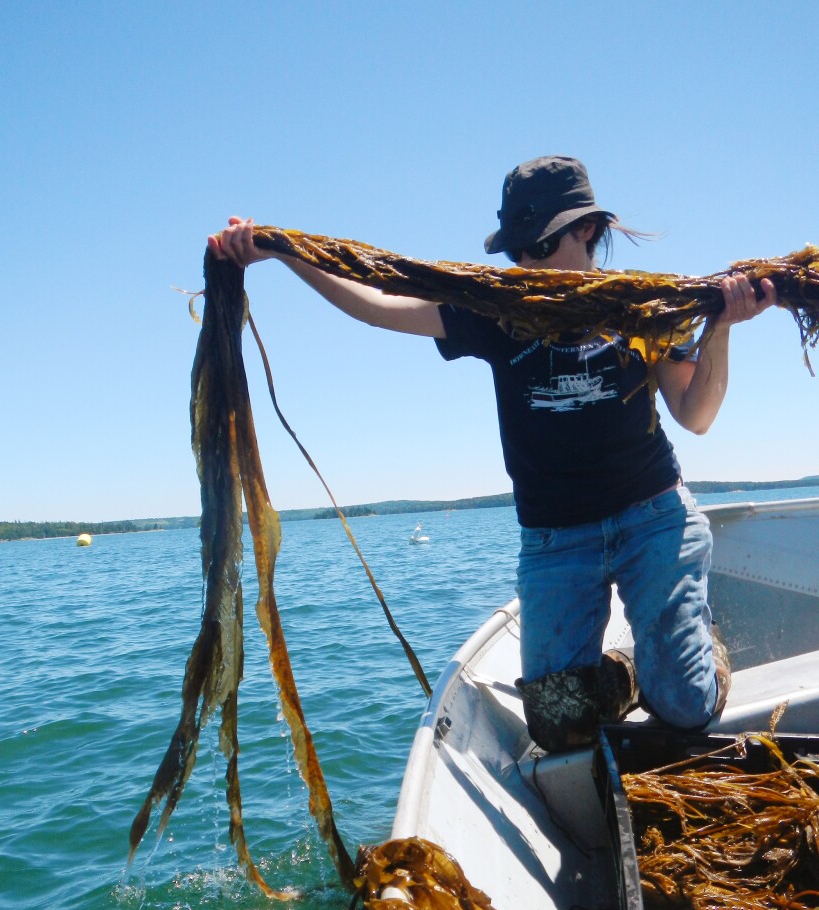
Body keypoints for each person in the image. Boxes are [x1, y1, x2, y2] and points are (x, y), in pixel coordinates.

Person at [209, 156, 777, 752]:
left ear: (587, 230)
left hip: (653, 520)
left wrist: (722, 328)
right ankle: (632, 671)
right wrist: (284, 252)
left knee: (686, 709)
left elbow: (697, 415)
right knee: (557, 727)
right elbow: (376, 303)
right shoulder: (498, 313)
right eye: (517, 251)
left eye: (541, 244)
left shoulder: (641, 307)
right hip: (557, 539)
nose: (527, 264)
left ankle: (695, 652)